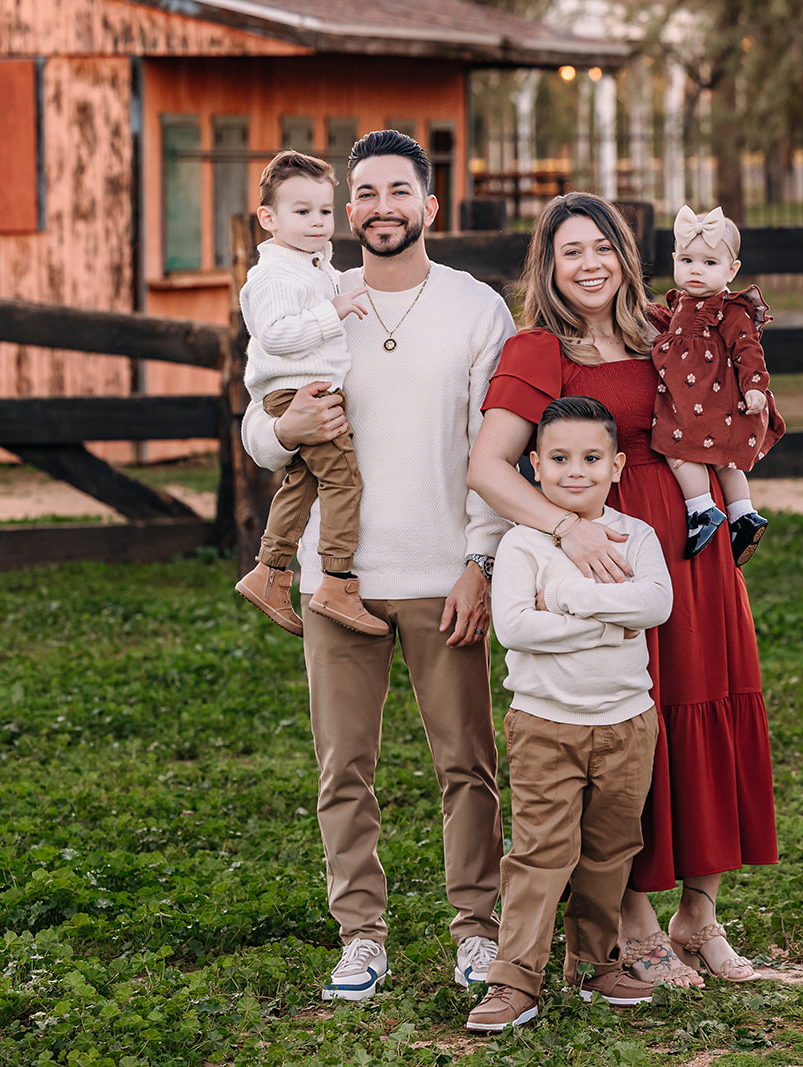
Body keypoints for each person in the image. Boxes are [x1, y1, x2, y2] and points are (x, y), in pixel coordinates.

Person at [467, 192, 778, 989]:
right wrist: (566, 528)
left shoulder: (667, 324)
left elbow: (726, 400)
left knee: (709, 705)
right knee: (631, 726)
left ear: (624, 253)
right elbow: (489, 467)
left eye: (601, 246)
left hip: (693, 548)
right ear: (550, 265)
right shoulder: (540, 349)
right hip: (606, 551)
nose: (590, 263)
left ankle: (698, 917)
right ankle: (630, 921)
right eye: (571, 251)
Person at [239, 130, 514, 1001]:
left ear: (430, 206)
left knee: (467, 764)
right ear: (346, 208)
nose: (379, 207)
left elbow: (494, 447)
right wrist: (285, 433)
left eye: (399, 191)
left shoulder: (477, 308)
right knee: (341, 767)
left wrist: (481, 559)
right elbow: (258, 422)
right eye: (364, 193)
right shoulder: (313, 294)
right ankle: (361, 935)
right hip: (333, 580)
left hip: (442, 575)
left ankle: (477, 928)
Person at [467, 396, 672, 1033]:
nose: (574, 470)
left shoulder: (635, 535)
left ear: (616, 466)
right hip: (545, 725)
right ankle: (513, 982)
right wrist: (606, 623)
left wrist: (565, 600)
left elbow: (655, 604)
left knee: (611, 849)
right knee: (539, 854)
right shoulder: (522, 542)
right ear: (533, 466)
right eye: (558, 458)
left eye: (590, 458)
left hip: (626, 724)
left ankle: (595, 965)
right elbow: (515, 628)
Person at [234, 149, 389, 639]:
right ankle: (337, 582)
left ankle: (270, 573)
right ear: (268, 218)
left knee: (302, 481)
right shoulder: (276, 275)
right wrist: (333, 311)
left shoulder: (309, 265)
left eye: (324, 211)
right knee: (344, 481)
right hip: (299, 393)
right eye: (301, 212)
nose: (317, 222)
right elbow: (275, 335)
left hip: (308, 388)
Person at [651, 204, 784, 563]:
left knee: (675, 448)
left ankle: (701, 510)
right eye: (687, 261)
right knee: (726, 463)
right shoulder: (681, 302)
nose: (696, 271)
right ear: (674, 260)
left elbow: (748, 349)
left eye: (710, 263)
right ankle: (743, 514)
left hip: (709, 400)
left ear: (732, 269)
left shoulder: (730, 308)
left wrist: (755, 385)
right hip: (701, 399)